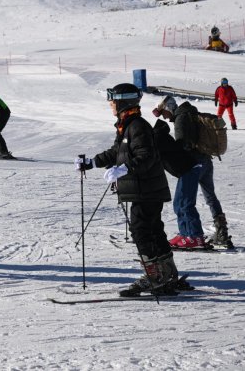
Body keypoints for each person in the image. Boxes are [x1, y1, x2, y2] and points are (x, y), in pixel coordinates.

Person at [75, 83, 182, 297]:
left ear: (123, 101)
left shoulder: (137, 125)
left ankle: (155, 276)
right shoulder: (127, 124)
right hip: (146, 189)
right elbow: (118, 151)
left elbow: (146, 156)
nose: (110, 103)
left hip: (147, 189)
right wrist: (92, 162)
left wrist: (124, 169)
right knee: (152, 229)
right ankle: (167, 273)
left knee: (141, 231)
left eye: (112, 99)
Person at [154, 96, 234, 249]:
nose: (164, 116)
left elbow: (183, 143)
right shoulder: (191, 113)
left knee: (183, 201)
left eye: (163, 112)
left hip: (192, 164)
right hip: (206, 160)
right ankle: (221, 232)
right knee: (210, 197)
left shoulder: (181, 118)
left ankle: (192, 236)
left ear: (169, 108)